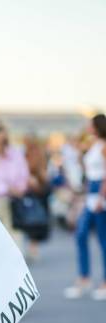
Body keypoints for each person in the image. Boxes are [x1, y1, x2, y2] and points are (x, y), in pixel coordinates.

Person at [64, 114, 106, 300]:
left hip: (100, 194)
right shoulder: (93, 145)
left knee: (103, 240)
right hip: (91, 193)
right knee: (81, 234)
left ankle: (104, 282)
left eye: (90, 125)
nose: (88, 128)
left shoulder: (104, 146)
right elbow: (88, 171)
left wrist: (100, 198)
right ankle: (84, 278)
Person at [23, 135, 51, 261]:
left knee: (33, 222)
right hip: (33, 195)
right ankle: (32, 248)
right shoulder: (31, 157)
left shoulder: (37, 160)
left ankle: (33, 248)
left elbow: (45, 184)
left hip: (37, 196)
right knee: (32, 222)